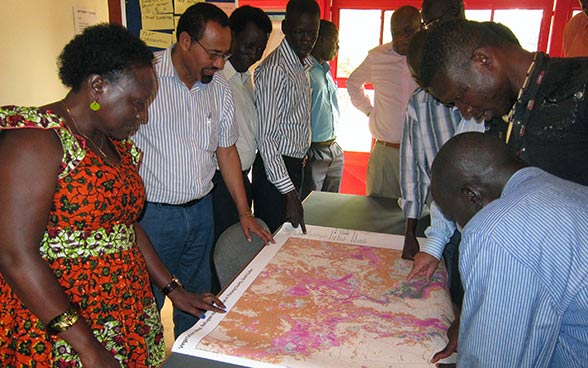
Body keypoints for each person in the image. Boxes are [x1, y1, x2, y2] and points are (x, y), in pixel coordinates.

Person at [0, 23, 225, 367]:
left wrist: (172, 288)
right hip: (64, 324)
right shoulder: (37, 141)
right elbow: (15, 255)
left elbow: (127, 227)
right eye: (136, 104)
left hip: (124, 314)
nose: (143, 115)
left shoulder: (112, 143)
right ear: (97, 87)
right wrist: (87, 346)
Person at [133, 3, 272, 338]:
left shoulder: (219, 86)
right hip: (152, 218)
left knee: (198, 305)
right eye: (213, 54)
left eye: (224, 55)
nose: (220, 64)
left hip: (200, 214)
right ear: (184, 41)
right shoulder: (143, 79)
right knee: (145, 308)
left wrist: (244, 212)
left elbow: (226, 151)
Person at [429, 132, 588, 367]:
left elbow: (493, 361)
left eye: (456, 217)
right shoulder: (568, 191)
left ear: (472, 196)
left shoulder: (494, 229)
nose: (462, 227)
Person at [253, 0, 320, 233]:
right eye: (300, 33)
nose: (306, 40)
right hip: (276, 172)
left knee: (289, 239)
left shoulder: (302, 65)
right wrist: (289, 192)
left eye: (313, 33)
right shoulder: (275, 70)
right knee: (274, 241)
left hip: (294, 166)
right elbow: (266, 138)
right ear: (285, 27)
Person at [346, 6, 420, 199]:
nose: (402, 37)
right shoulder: (377, 57)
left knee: (422, 217)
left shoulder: (429, 57)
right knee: (377, 215)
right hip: (386, 153)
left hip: (421, 154)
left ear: (420, 29)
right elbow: (353, 83)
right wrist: (369, 111)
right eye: (396, 32)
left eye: (408, 31)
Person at [212, 5, 272, 240]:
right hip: (220, 184)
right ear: (231, 37)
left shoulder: (245, 79)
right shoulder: (216, 81)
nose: (254, 54)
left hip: (242, 180)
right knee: (223, 252)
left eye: (260, 48)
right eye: (248, 46)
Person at [301, 19, 344, 200]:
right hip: (313, 151)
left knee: (331, 206)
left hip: (334, 148)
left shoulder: (325, 71)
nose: (338, 46)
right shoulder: (305, 71)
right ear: (321, 39)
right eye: (335, 41)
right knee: (311, 205)